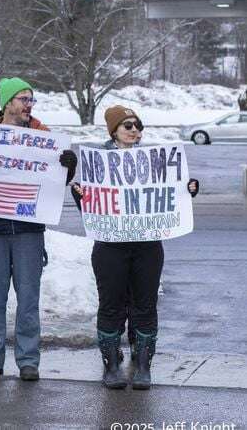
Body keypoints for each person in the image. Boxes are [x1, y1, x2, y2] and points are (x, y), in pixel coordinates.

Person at [71, 105, 199, 390]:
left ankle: (142, 364)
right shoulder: (98, 162)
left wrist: (187, 188)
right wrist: (79, 194)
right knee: (111, 304)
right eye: (127, 125)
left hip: (147, 246)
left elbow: (172, 192)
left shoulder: (154, 162)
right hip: (110, 247)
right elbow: (93, 211)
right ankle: (112, 364)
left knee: (145, 304)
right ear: (113, 130)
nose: (134, 130)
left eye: (138, 125)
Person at [0, 77, 77, 381]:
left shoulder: (42, 136)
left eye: (31, 100)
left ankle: (28, 360)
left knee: (28, 297)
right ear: (7, 103)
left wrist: (69, 166)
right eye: (23, 99)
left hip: (29, 229)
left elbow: (56, 180)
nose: (29, 105)